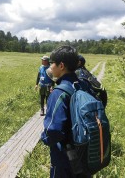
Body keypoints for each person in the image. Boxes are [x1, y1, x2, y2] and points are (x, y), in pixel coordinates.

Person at [41, 46, 91, 178]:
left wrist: (44, 138)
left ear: (61, 65)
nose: (50, 67)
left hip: (65, 158)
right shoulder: (83, 84)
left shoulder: (59, 93)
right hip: (85, 153)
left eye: (52, 63)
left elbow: (53, 130)